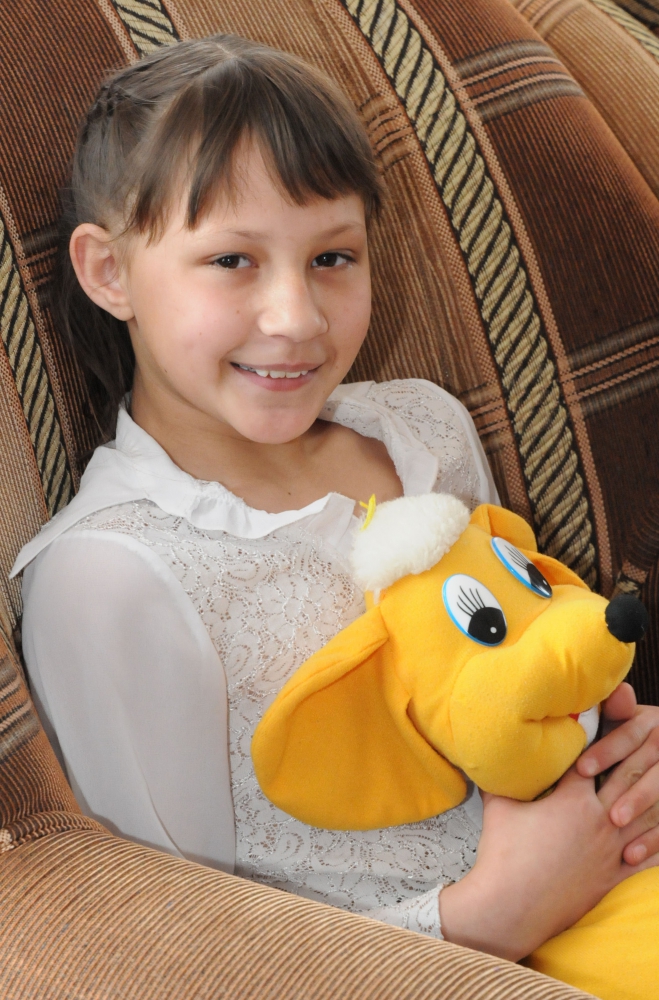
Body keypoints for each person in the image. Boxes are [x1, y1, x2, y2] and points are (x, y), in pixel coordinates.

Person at [11, 33, 659, 984]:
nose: (298, 317)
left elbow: (516, 681)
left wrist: (614, 755)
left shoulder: (424, 431)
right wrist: (490, 916)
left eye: (331, 257)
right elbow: (181, 958)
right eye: (232, 260)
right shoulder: (107, 580)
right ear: (110, 272)